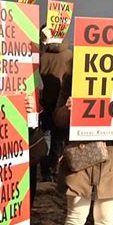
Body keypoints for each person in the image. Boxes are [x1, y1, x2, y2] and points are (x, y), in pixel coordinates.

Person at [55, 60, 113, 225]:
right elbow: (58, 119)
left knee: (105, 219)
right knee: (76, 217)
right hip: (81, 161)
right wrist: (68, 109)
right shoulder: (72, 80)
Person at [39, 25, 72, 182]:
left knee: (46, 136)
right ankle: (54, 169)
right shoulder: (70, 55)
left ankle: (45, 171)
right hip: (64, 103)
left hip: (45, 101)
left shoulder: (40, 56)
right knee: (59, 139)